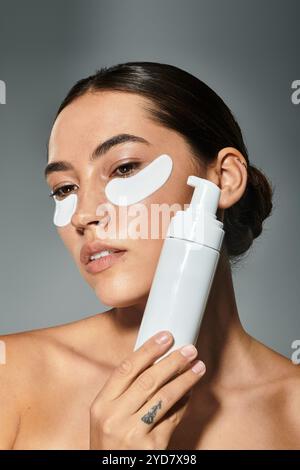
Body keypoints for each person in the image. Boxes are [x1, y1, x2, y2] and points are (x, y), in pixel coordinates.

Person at [1, 62, 299, 450]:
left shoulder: (292, 409)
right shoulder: (11, 378)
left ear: (223, 179)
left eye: (124, 168)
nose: (83, 214)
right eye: (64, 188)